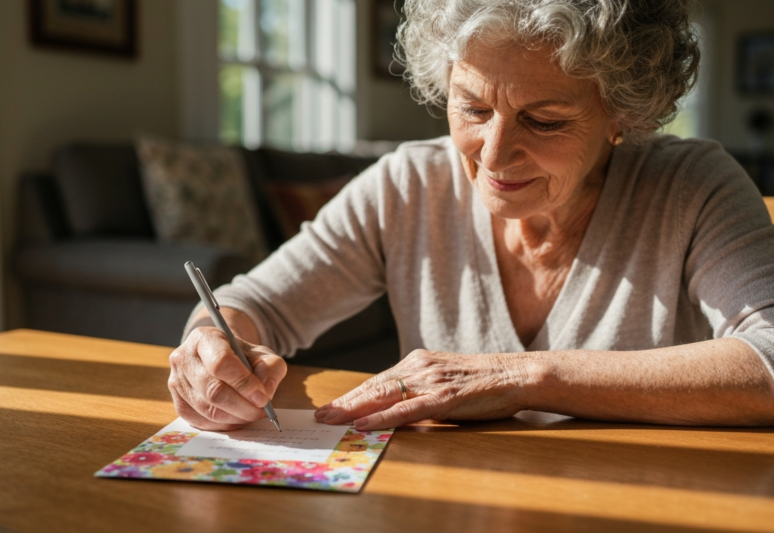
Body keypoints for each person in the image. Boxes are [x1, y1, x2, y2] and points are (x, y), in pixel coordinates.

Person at [168, 0, 774, 432]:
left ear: (623, 115)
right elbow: (255, 304)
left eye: (544, 121)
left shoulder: (693, 187)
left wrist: (520, 378)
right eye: (473, 108)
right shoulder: (407, 184)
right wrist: (209, 348)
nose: (494, 153)